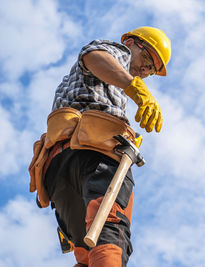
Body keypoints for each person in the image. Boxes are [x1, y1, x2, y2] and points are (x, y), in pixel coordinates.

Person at [28, 26, 171, 267]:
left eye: (151, 70)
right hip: (95, 157)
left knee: (85, 251)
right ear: (132, 43)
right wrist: (135, 89)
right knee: (110, 232)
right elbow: (94, 56)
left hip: (59, 168)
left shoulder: (106, 84)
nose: (145, 70)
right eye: (147, 58)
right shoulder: (119, 54)